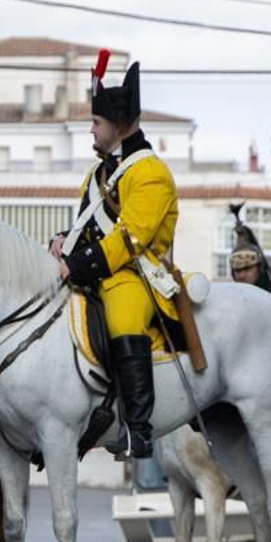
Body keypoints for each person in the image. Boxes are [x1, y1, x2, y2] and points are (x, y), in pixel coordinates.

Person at [53, 56, 178, 460]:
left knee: (123, 316)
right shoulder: (96, 175)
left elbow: (128, 241)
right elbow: (86, 229)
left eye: (96, 122)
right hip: (94, 271)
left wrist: (76, 264)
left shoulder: (151, 173)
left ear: (118, 125)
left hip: (135, 273)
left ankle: (138, 430)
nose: (91, 129)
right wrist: (62, 244)